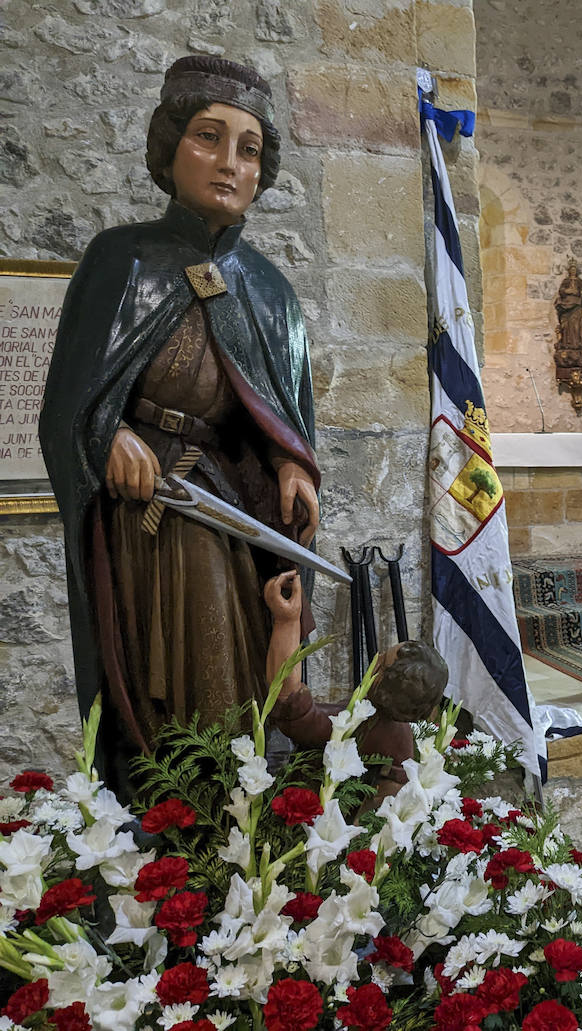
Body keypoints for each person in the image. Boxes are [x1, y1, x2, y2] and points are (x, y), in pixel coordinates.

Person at [39, 56, 318, 799]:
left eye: (249, 148)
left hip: (227, 505)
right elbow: (69, 403)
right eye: (208, 137)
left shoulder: (270, 289)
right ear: (170, 149)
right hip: (146, 515)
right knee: (162, 677)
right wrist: (107, 437)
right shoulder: (121, 260)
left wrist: (293, 465)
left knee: (235, 653)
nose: (230, 163)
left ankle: (236, 809)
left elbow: (279, 416)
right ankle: (173, 809)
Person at [264, 572, 447, 804]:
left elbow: (291, 706)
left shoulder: (368, 724)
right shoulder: (399, 732)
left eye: (382, 660)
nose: (377, 657)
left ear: (381, 680)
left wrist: (287, 620)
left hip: (316, 813)